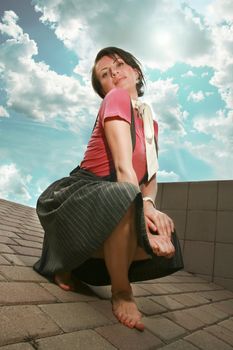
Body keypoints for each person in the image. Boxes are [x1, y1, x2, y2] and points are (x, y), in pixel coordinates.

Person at [34, 47, 183, 331]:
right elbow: (125, 171)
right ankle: (121, 291)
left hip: (117, 198)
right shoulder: (116, 99)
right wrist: (141, 223)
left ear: (136, 72)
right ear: (103, 90)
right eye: (105, 74)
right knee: (125, 196)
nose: (114, 72)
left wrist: (150, 207)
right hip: (80, 195)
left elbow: (148, 178)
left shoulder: (150, 123)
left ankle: (74, 262)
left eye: (119, 64)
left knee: (169, 239)